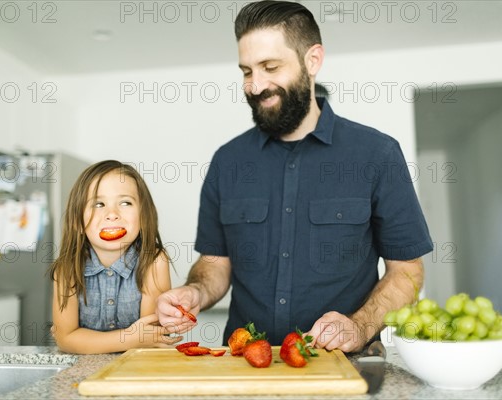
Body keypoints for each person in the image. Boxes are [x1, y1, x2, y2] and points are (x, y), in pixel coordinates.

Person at [157, 0, 433, 353]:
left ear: (313, 60)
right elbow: (216, 262)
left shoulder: (377, 154)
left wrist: (360, 326)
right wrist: (194, 291)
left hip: (345, 363)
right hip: (245, 363)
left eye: (270, 67)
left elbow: (407, 270)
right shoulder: (228, 161)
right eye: (246, 71)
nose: (255, 86)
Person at [49, 160, 181, 354]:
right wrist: (130, 338)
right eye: (98, 204)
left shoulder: (154, 261)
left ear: (144, 217)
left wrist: (85, 339)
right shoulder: (66, 269)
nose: (112, 214)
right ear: (77, 222)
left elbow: (149, 337)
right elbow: (66, 339)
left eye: (125, 203)